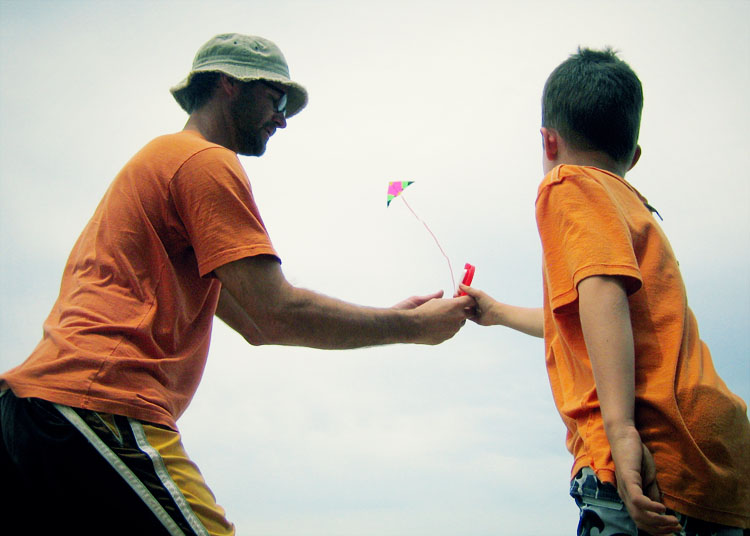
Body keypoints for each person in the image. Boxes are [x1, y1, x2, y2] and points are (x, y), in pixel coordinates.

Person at [0, 33, 473, 535]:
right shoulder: (204, 161)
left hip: (34, 413)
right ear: (230, 84)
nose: (283, 118)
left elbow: (254, 323)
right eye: (277, 98)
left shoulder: (164, 162)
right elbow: (275, 311)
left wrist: (398, 316)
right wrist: (411, 328)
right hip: (98, 404)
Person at [460, 48, 750, 535]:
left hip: (651, 452)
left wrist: (620, 430)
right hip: (719, 453)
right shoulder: (631, 207)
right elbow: (585, 314)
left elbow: (600, 291)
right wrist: (498, 312)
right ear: (632, 157)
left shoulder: (567, 184)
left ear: (548, 142)